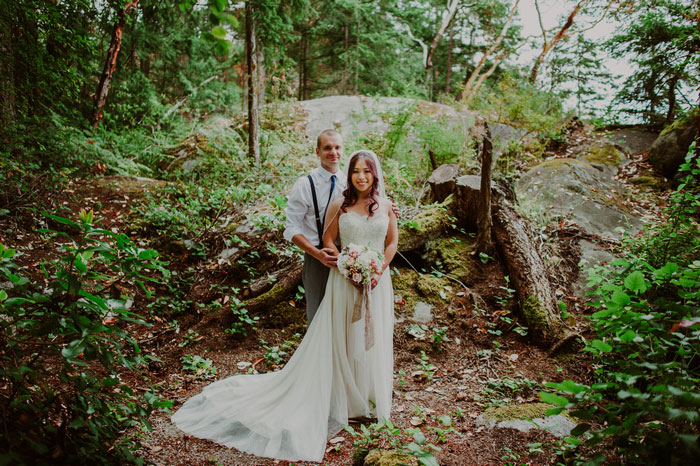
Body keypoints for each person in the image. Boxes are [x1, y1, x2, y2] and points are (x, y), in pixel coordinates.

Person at [171, 150, 398, 463]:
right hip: (345, 281)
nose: (361, 177)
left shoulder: (386, 205)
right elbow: (329, 240)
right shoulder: (340, 204)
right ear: (350, 175)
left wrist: (378, 269)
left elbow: (392, 243)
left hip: (376, 282)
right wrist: (345, 261)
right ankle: (342, 396)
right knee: (343, 337)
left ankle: (367, 397)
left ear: (374, 174)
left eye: (366, 172)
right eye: (356, 171)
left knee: (371, 337)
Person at [284, 129, 346, 323]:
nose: (333, 152)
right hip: (318, 258)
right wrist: (316, 253)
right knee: (318, 316)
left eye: (337, 147)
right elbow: (291, 228)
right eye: (327, 148)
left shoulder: (352, 182)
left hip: (349, 257)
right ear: (318, 152)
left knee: (344, 316)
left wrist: (389, 208)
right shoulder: (305, 184)